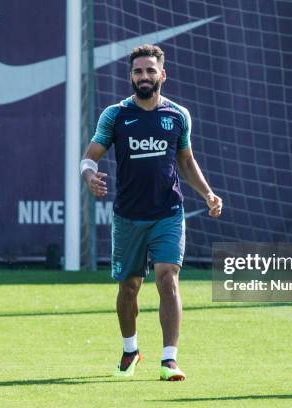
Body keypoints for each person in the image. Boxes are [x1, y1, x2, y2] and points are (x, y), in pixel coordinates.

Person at [80, 44, 222, 381]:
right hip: (128, 216)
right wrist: (88, 176)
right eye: (137, 71)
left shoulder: (177, 116)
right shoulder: (115, 115)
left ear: (162, 74)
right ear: (131, 76)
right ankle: (131, 350)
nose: (143, 76)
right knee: (129, 287)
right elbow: (90, 157)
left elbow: (185, 161)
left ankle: (169, 359)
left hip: (168, 213)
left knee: (167, 278)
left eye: (149, 70)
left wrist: (207, 193)